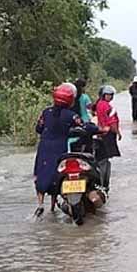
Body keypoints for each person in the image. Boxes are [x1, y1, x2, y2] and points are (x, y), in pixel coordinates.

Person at [33, 83, 83, 216]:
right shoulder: (71, 115)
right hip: (59, 148)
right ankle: (52, 207)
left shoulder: (46, 112)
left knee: (41, 173)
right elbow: (83, 126)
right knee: (57, 175)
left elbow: (38, 129)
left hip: (44, 147)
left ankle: (40, 204)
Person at [94, 85, 122, 192]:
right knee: (104, 160)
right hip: (108, 134)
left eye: (111, 95)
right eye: (108, 95)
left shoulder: (99, 104)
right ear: (103, 95)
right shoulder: (108, 107)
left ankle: (101, 183)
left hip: (100, 133)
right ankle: (103, 184)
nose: (110, 97)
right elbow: (112, 122)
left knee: (101, 159)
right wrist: (118, 132)